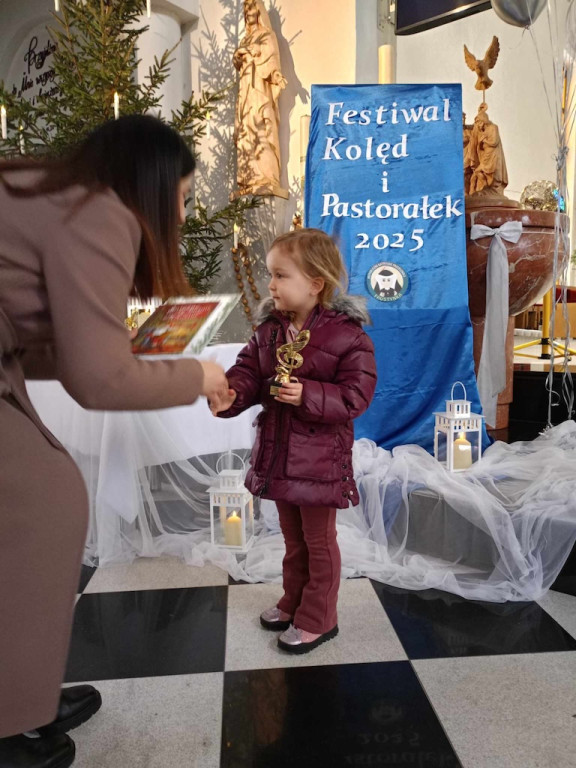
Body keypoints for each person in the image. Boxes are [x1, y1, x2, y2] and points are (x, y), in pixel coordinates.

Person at [0, 115, 229, 768]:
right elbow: (96, 381)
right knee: (43, 504)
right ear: (153, 184)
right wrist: (198, 374)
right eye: (183, 198)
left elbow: (56, 351)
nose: (182, 217)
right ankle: (11, 717)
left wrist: (110, 350)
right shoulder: (101, 212)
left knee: (38, 504)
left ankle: (24, 689)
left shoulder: (56, 191)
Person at [211, 229, 377, 653]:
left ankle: (319, 617)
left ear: (315, 283)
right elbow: (249, 372)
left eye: (281, 275)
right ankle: (293, 600)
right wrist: (231, 393)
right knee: (292, 538)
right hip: (280, 453)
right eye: (271, 275)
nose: (271, 285)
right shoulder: (269, 331)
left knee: (319, 541)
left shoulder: (348, 336)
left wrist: (310, 395)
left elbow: (357, 395)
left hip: (321, 459)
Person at [233, 0, 288, 199]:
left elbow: (271, 61)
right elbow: (238, 61)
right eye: (246, 9)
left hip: (259, 89)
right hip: (246, 91)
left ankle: (267, 176)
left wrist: (276, 76)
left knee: (262, 128)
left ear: (259, 11)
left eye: (252, 8)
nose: (248, 12)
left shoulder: (267, 35)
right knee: (247, 131)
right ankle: (249, 178)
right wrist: (240, 56)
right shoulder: (245, 40)